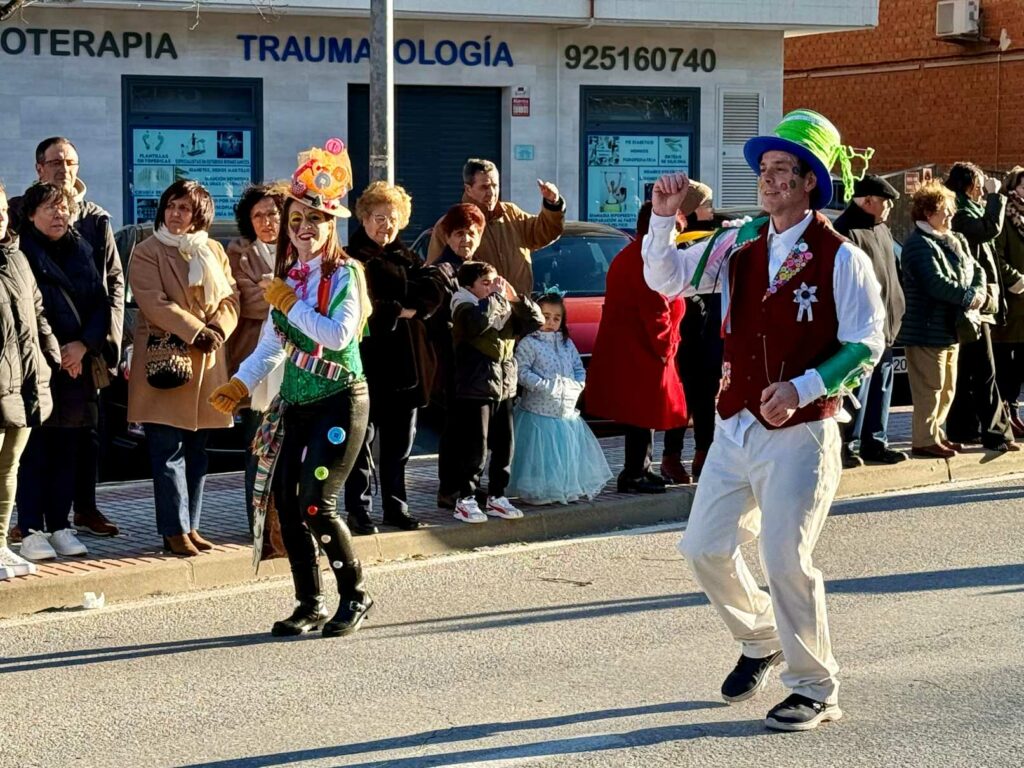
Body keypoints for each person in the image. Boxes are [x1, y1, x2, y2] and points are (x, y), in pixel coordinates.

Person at [643, 110, 884, 731]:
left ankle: (815, 687)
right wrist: (663, 218)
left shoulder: (841, 256)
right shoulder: (739, 241)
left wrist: (804, 387)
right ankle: (760, 635)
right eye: (766, 169)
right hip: (735, 423)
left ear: (810, 183)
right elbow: (666, 279)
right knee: (703, 547)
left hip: (801, 434)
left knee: (785, 559)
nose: (770, 179)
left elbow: (867, 342)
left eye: (784, 169)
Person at [210, 138, 375, 638]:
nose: (304, 228)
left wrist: (289, 303)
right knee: (286, 503)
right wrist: (238, 385)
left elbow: (338, 336)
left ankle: (355, 594)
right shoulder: (291, 277)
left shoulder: (346, 274)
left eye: (315, 220)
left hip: (340, 402)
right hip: (296, 403)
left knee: (316, 503)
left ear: (331, 225)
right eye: (297, 220)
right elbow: (271, 347)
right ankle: (310, 602)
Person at [8, 137, 124, 540]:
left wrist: (90, 346)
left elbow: (109, 289)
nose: (64, 169)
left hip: (81, 356)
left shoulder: (94, 221)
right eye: (55, 162)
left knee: (79, 439)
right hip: (36, 355)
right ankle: (29, 522)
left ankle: (77, 514)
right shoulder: (17, 221)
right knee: (35, 442)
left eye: (70, 162)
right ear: (39, 167)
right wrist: (52, 349)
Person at [128, 179, 239, 556]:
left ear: (199, 215)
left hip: (208, 363)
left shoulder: (213, 249)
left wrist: (218, 329)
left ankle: (191, 525)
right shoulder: (148, 250)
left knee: (197, 451)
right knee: (167, 449)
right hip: (166, 361)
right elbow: (153, 302)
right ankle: (173, 530)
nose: (175, 214)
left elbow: (231, 298)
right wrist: (197, 331)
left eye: (185, 208)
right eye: (171, 206)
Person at [343, 181, 443, 534]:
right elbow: (362, 305)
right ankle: (359, 509)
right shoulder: (351, 258)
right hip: (367, 363)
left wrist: (406, 306)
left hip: (407, 366)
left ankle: (396, 507)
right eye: (379, 217)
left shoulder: (408, 257)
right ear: (364, 218)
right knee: (361, 442)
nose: (386, 225)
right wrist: (399, 308)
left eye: (393, 218)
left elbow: (434, 291)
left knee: (400, 444)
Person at [586, 202, 688, 495]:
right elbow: (654, 309)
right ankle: (634, 473)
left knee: (643, 414)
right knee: (641, 413)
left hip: (635, 347)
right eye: (674, 231)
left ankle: (642, 467)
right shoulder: (646, 258)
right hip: (643, 349)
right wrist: (667, 346)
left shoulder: (635, 253)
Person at [447, 260, 543, 523]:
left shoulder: (502, 305)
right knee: (475, 448)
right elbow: (476, 324)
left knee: (504, 446)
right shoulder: (463, 305)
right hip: (475, 387)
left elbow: (536, 321)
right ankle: (466, 499)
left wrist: (515, 299)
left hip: (504, 387)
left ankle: (497, 496)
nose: (493, 287)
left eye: (495, 281)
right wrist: (497, 298)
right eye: (485, 283)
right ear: (470, 287)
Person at [898, 182, 985, 458]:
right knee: (930, 387)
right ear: (927, 212)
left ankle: (936, 434)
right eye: (945, 210)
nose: (950, 215)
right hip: (926, 330)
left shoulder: (953, 240)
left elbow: (976, 269)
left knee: (947, 388)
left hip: (949, 329)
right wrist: (969, 296)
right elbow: (936, 283)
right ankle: (924, 440)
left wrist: (978, 292)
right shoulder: (918, 245)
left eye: (951, 210)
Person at [0, 182, 60, 578]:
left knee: (9, 468)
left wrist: (49, 353)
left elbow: (36, 310)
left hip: (22, 383)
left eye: (2, 210)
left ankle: (1, 546)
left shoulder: (17, 256)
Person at [226, 182, 287, 560]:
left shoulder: (301, 249)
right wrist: (287, 296)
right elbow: (246, 301)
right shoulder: (239, 254)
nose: (267, 221)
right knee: (259, 447)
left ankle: (289, 525)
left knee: (293, 450)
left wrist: (276, 291)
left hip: (298, 364)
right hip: (257, 362)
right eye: (258, 215)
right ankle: (260, 526)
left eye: (273, 213)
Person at [508, 290, 611, 504]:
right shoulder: (529, 343)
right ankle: (538, 491)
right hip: (538, 413)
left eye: (556, 318)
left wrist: (579, 383)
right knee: (541, 455)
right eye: (545, 316)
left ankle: (563, 488)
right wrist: (543, 385)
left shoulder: (566, 343)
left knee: (565, 454)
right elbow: (521, 370)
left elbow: (577, 366)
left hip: (565, 412)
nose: (551, 322)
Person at [833, 174, 908, 466]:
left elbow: (894, 273)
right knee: (857, 388)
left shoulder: (882, 229)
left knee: (881, 387)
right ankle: (847, 444)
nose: (890, 207)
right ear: (867, 201)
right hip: (860, 328)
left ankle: (875, 441)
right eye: (885, 202)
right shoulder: (846, 231)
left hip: (886, 326)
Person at [944, 162, 1018, 452]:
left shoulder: (971, 208)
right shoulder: (960, 213)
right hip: (973, 301)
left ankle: (965, 428)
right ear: (967, 185)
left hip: (982, 300)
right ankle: (996, 433)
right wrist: (996, 196)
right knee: (984, 369)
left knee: (970, 369)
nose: (982, 187)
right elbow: (990, 229)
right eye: (978, 182)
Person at [426, 158, 565, 296]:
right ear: (468, 189)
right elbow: (436, 279)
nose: (492, 193)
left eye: (495, 186)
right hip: (477, 307)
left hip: (517, 304)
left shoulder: (511, 214)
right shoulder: (450, 224)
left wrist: (553, 203)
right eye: (485, 187)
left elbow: (545, 231)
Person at [430, 203, 487, 509]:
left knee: (474, 429)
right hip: (451, 358)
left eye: (472, 233)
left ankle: (468, 487)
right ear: (448, 237)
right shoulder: (441, 270)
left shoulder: (479, 269)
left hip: (477, 361)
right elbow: (438, 320)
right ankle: (450, 488)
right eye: (460, 233)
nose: (466, 239)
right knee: (455, 427)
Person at [662, 181, 717, 484]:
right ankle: (671, 457)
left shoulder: (712, 241)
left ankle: (703, 455)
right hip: (684, 335)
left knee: (706, 398)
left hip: (708, 334)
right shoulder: (679, 245)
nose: (712, 211)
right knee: (682, 399)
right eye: (707, 205)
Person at [993, 165, 1024, 434]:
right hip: (1012, 304)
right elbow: (997, 257)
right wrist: (1018, 281)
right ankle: (1006, 412)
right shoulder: (1005, 216)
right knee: (1007, 364)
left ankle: (1013, 410)